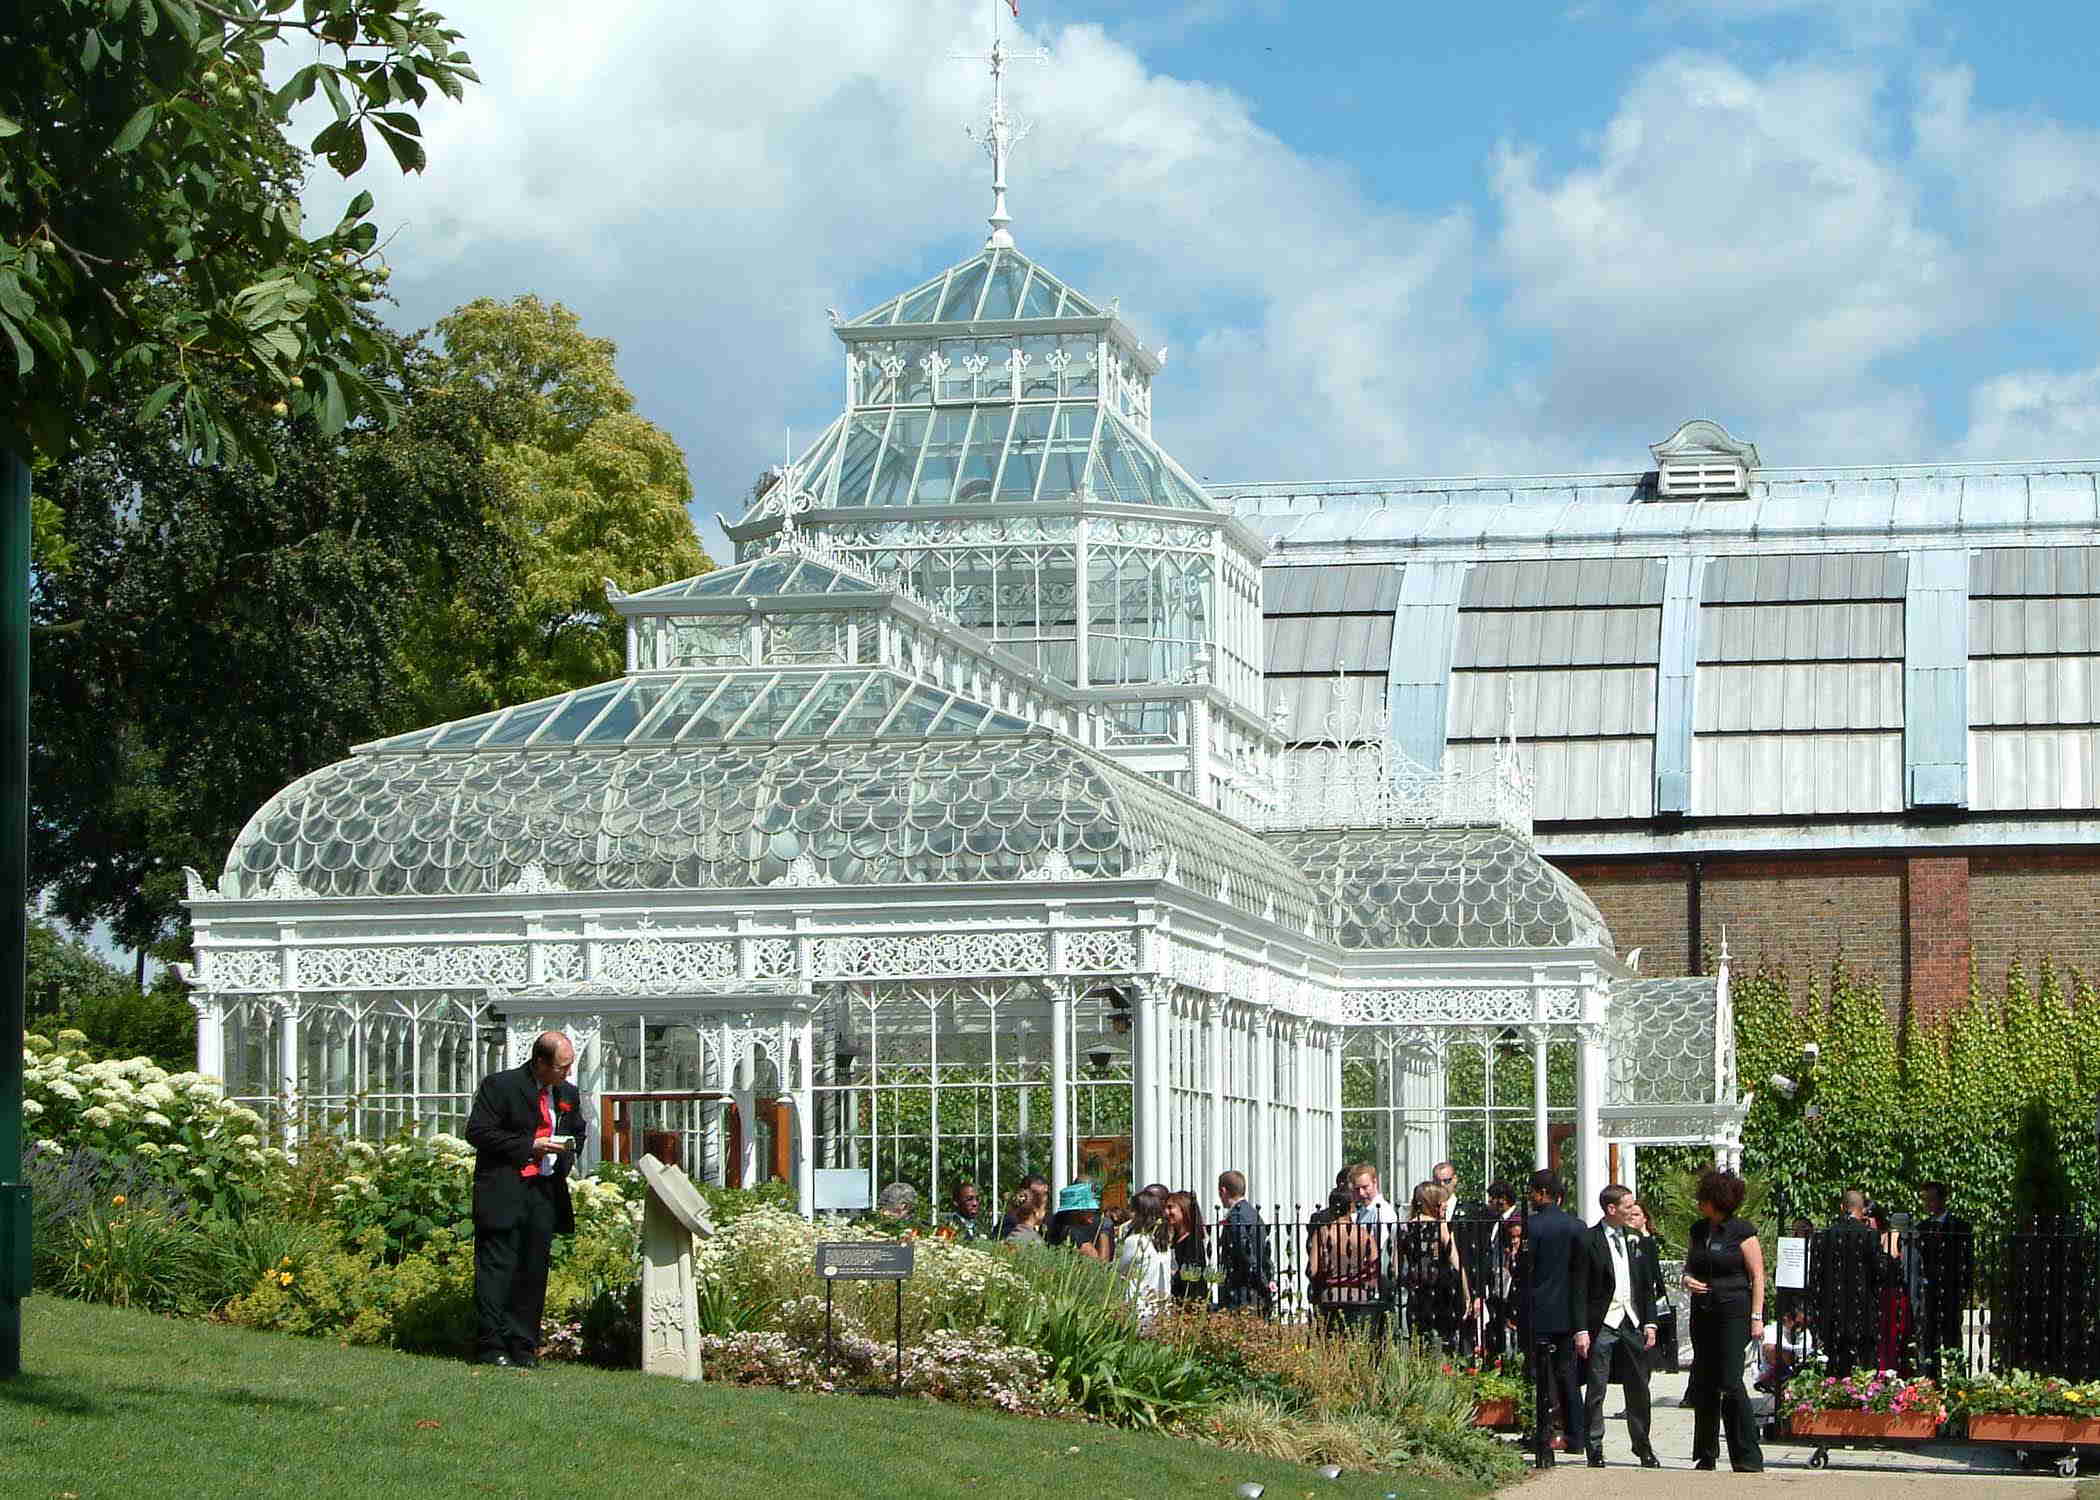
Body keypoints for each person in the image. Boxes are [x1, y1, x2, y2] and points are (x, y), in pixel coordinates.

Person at [465, 1030, 588, 1369]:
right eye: (562, 1067)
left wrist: (564, 1155)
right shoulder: (500, 1085)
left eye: (569, 1066)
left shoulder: (568, 1093)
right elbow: (477, 1131)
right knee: (497, 1270)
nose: (567, 1073)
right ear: (540, 1062)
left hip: (544, 1191)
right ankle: (492, 1346)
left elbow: (578, 1130)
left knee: (533, 1269)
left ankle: (523, 1345)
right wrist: (529, 1146)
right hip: (504, 1189)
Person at [1683, 1167, 1765, 1473]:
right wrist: (1688, 1280)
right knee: (1703, 1381)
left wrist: (1756, 1317)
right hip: (1703, 1310)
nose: (1698, 1203)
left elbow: (1757, 1275)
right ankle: (1705, 1453)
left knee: (1730, 1381)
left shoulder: (1742, 1231)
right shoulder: (1697, 1230)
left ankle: (1746, 1456)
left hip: (1734, 1310)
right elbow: (1689, 1267)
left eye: (1703, 1198)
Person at [1580, 1184, 1665, 1469]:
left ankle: (1643, 1446)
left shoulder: (1637, 1240)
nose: (1633, 1211)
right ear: (1611, 1209)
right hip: (1602, 1322)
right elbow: (1578, 1289)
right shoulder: (1588, 1239)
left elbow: (1647, 1287)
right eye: (1628, 1207)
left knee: (1639, 1387)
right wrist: (1581, 1330)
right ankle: (1594, 1447)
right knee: (1597, 1388)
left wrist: (1650, 1322)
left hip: (1632, 1321)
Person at [1522, 1169, 1590, 1466]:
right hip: (1566, 1310)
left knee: (1539, 1376)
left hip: (1538, 1309)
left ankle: (1542, 1434)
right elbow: (1581, 1273)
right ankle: (1577, 1436)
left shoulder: (1532, 1225)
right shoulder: (1576, 1226)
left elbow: (1525, 1268)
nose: (1530, 1197)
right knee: (1567, 1375)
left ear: (1541, 1193)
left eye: (1532, 1192)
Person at [1812, 1188, 1881, 1377]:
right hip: (1862, 1306)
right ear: (1863, 1209)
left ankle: (1834, 1390)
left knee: (1834, 1360)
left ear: (1842, 1207)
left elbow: (1816, 1274)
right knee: (1864, 1360)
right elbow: (1879, 1272)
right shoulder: (1870, 1235)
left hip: (1833, 1306)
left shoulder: (1825, 1235)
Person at [1308, 1184, 1383, 1340]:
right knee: (1356, 1341)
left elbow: (1313, 1270)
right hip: (1357, 1295)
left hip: (1330, 1295)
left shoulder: (1322, 1233)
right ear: (1351, 1207)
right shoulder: (1363, 1234)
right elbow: (1375, 1267)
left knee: (1331, 1343)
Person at [1403, 1180, 1472, 1349]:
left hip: (1415, 1291)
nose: (1446, 1206)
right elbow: (1456, 1261)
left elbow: (1396, 1265)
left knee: (1418, 1342)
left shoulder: (1404, 1226)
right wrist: (1467, 1293)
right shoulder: (1439, 1226)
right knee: (1440, 1340)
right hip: (1438, 1291)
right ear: (1434, 1203)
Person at [1914, 1181, 1973, 1377]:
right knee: (1929, 1335)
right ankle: (1932, 1378)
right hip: (1930, 1290)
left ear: (1942, 1199)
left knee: (1952, 1335)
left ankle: (1958, 1378)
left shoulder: (1960, 1227)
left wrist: (1965, 1289)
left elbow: (1968, 1261)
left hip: (1951, 1289)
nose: (1928, 1204)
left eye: (1932, 1199)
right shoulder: (1922, 1228)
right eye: (1926, 1200)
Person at [1216, 1169, 1275, 1312]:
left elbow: (1245, 1253)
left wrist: (1262, 1282)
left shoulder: (1236, 1217)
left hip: (1241, 1289)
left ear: (1223, 1191)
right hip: (1254, 1289)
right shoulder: (1253, 1214)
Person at [1116, 1188, 1175, 1326]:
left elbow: (1119, 1270)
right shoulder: (1163, 1242)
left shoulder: (1135, 1241)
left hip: (1138, 1307)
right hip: (1160, 1307)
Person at [1044, 1182, 1116, 1259]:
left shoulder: (1054, 1223)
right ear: (1076, 1211)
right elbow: (1101, 1263)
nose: (1094, 1213)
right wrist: (1104, 1230)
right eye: (1090, 1210)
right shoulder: (1073, 1234)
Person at [1165, 1190, 1210, 1304]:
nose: (1166, 1212)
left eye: (1171, 1207)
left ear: (1184, 1209)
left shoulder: (1192, 1241)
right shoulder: (1177, 1238)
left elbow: (1191, 1275)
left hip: (1190, 1301)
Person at [999, 1174, 1050, 1238]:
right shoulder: (1010, 1222)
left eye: (1045, 1193)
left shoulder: (1050, 1222)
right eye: (1036, 1194)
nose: (1042, 1198)